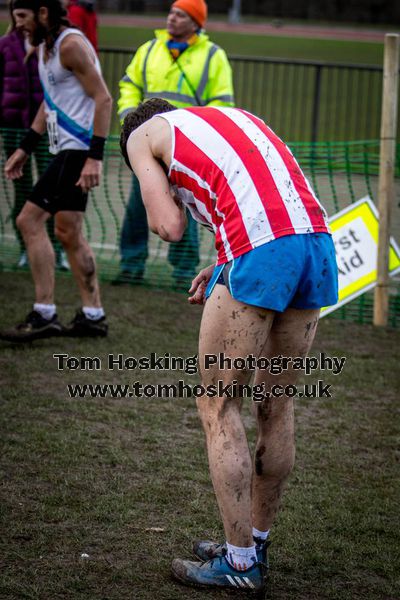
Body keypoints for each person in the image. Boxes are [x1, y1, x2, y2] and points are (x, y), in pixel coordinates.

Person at [120, 98, 339, 593]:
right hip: (316, 242)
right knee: (276, 406)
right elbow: (249, 195)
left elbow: (170, 227)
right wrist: (223, 264)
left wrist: (158, 189)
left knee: (219, 405)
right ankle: (254, 544)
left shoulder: (140, 136)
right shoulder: (229, 117)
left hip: (261, 249)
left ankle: (240, 565)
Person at [0, 0, 112, 343]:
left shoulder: (71, 45)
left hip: (77, 151)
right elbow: (50, 102)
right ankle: (93, 316)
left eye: (22, 16)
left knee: (28, 221)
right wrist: (26, 148)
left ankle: (45, 312)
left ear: (43, 13)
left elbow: (104, 99)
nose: (18, 24)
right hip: (64, 150)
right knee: (68, 231)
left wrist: (94, 158)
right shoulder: (45, 47)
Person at [113, 0, 234, 288]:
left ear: (196, 22)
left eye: (181, 15)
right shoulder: (150, 49)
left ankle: (183, 271)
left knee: (189, 208)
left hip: (186, 147)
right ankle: (130, 265)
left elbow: (222, 102)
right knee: (138, 205)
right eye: (171, 12)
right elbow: (129, 84)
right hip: (147, 142)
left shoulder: (213, 56)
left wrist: (199, 133)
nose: (172, 18)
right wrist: (129, 119)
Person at [0, 0, 68, 270]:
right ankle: (26, 247)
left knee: (51, 189)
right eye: (15, 16)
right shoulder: (6, 45)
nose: (19, 22)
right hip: (15, 127)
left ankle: (55, 248)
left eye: (23, 16)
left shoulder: (52, 45)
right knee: (22, 189)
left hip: (48, 129)